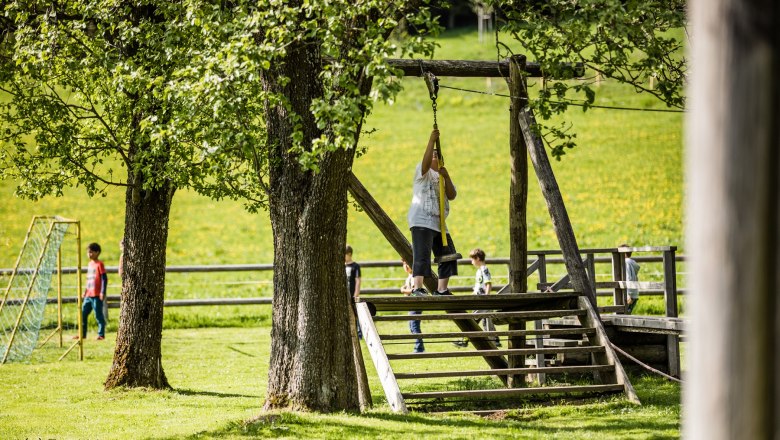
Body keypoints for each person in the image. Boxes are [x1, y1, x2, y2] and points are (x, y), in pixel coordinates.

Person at [407, 128, 459, 296]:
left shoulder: (441, 176)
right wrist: (431, 141)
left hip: (439, 222)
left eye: (438, 154)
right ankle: (417, 288)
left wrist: (447, 177)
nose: (434, 155)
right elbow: (425, 161)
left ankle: (442, 289)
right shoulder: (422, 172)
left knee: (449, 254)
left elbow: (452, 195)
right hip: (422, 219)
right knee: (422, 253)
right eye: (432, 154)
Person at [453, 248, 500, 348]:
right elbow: (479, 286)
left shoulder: (484, 269)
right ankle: (495, 339)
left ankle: (464, 340)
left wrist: (486, 298)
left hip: (482, 302)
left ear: (477, 258)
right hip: (479, 301)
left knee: (472, 321)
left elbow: (488, 284)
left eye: (472, 259)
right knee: (486, 320)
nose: (471, 262)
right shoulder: (480, 271)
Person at [74, 242, 107, 340]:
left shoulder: (100, 264)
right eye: (88, 252)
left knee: (98, 315)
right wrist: (85, 291)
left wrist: (102, 292)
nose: (89, 254)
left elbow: (104, 279)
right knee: (83, 313)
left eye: (91, 252)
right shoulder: (89, 264)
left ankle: (101, 335)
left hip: (97, 295)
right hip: (88, 295)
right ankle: (82, 334)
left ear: (97, 252)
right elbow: (89, 279)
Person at [400, 259, 425, 353]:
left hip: (415, 304)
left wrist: (403, 290)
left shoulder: (414, 277)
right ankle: (418, 346)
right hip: (411, 304)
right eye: (404, 264)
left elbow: (414, 291)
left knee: (414, 326)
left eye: (408, 264)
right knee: (411, 326)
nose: (406, 266)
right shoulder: (410, 276)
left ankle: (419, 348)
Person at [345, 244, 362, 337]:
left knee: (355, 314)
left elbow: (358, 280)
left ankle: (358, 332)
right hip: (344, 295)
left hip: (352, 294)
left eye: (345, 255)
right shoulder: (341, 266)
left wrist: (356, 293)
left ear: (350, 254)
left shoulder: (355, 266)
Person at [621, 244, 641, 314]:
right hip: (635, 293)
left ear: (624, 254)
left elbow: (628, 278)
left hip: (629, 294)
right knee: (627, 314)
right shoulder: (632, 263)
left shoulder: (626, 263)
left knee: (623, 315)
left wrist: (628, 294)